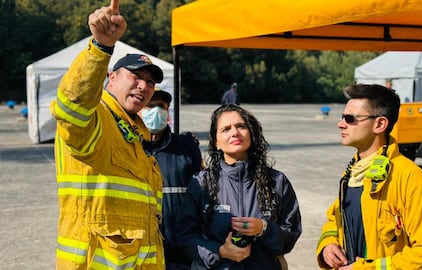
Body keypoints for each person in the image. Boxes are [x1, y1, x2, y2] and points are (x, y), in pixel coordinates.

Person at [50, 0, 166, 269]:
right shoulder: (96, 116)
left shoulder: (137, 130)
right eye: (136, 76)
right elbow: (71, 105)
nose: (144, 85)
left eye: (150, 81)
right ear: (111, 78)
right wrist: (101, 48)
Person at [315, 84, 422, 269]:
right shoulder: (352, 174)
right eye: (342, 117)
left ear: (379, 124)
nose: (340, 124)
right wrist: (327, 245)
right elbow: (334, 221)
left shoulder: (409, 177)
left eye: (350, 118)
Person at [175, 104, 302, 269]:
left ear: (251, 133)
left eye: (241, 126)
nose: (235, 132)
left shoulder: (277, 181)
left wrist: (264, 229)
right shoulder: (201, 183)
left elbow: (290, 236)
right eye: (226, 129)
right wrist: (220, 251)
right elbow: (185, 236)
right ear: (215, 142)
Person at [140, 89, 204, 270]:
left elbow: (202, 193)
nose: (155, 111)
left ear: (168, 111)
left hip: (181, 250)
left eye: (161, 106)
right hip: (139, 250)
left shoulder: (187, 146)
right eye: (149, 106)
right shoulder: (127, 147)